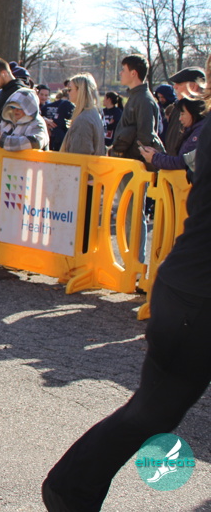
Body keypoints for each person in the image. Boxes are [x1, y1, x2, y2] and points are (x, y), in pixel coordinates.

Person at [42, 83, 211, 512]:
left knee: (155, 409)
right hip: (196, 297)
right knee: (155, 411)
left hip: (189, 289)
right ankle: (70, 489)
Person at [109, 54, 164, 167]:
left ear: (133, 73)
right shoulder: (136, 96)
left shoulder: (144, 99)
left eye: (123, 70)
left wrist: (126, 157)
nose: (120, 73)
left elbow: (145, 138)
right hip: (129, 164)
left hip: (135, 166)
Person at [139, 97, 205, 172]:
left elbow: (182, 162)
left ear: (193, 113)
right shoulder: (192, 130)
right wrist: (157, 155)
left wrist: (154, 158)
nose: (180, 118)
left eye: (182, 114)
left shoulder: (200, 133)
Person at [0, 87, 49, 151]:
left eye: (20, 108)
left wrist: (3, 141)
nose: (16, 110)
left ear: (29, 108)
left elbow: (35, 142)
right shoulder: (8, 120)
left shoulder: (37, 122)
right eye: (13, 107)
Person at [161, 67, 205, 156]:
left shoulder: (203, 113)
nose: (174, 87)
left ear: (193, 86)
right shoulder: (176, 108)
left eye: (179, 84)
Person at [59, 74, 105, 156]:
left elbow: (79, 156)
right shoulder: (93, 113)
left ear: (80, 91)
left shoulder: (83, 120)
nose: (67, 92)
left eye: (70, 89)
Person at [39, 84, 75, 151]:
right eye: (42, 94)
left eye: (46, 95)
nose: (43, 97)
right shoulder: (40, 108)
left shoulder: (45, 107)